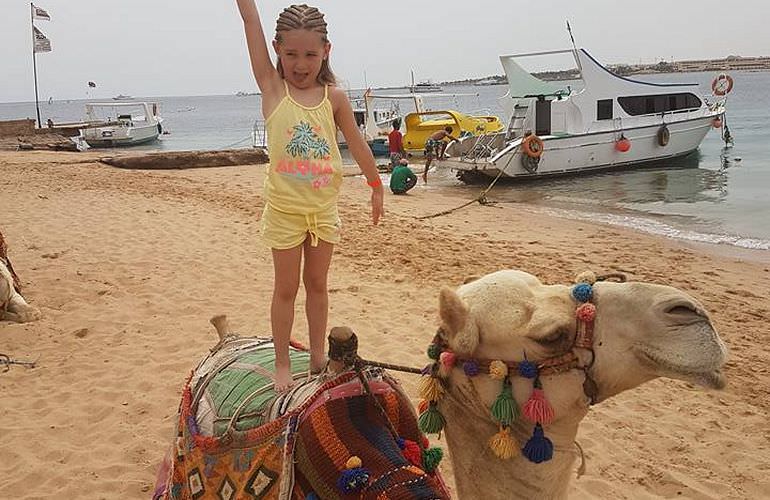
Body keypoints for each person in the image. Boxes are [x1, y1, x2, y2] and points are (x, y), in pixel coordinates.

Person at [236, 0, 384, 391]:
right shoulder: (272, 88)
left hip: (322, 212)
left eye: (310, 55)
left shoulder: (334, 97)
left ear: (326, 52)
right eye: (291, 54)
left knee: (318, 285)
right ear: (276, 50)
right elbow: (250, 18)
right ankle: (283, 363)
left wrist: (375, 185)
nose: (300, 64)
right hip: (284, 212)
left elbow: (357, 143)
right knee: (285, 289)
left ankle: (318, 355)